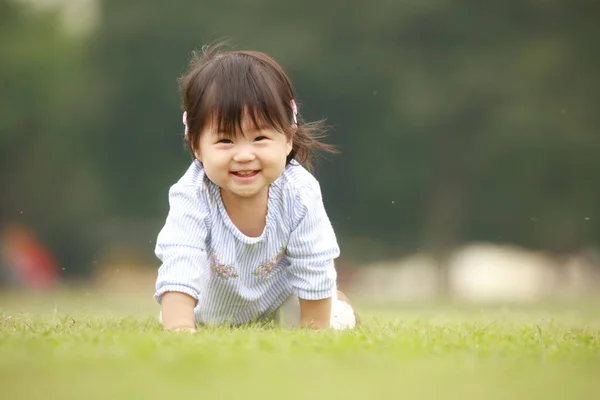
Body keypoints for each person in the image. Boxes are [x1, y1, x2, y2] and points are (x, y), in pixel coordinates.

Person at [154, 43, 358, 332]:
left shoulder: (299, 192)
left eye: (260, 138)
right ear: (196, 146)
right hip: (207, 308)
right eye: (225, 141)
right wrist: (179, 329)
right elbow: (180, 258)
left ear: (288, 138)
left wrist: (316, 329)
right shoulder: (192, 194)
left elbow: (314, 260)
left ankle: (340, 305)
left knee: (330, 320)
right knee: (175, 311)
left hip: (280, 300)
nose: (244, 155)